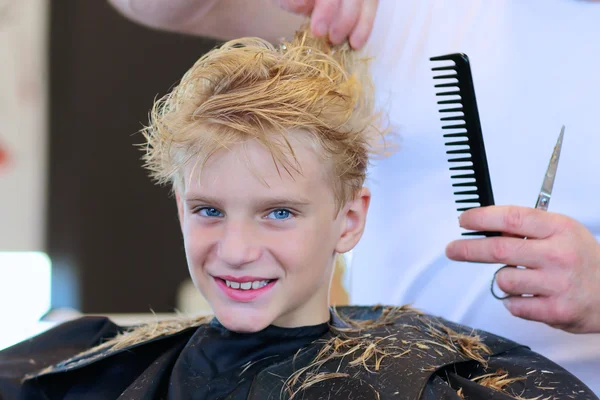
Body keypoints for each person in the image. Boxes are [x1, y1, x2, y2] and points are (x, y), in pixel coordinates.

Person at [1, 25, 597, 399]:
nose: (235, 248)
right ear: (179, 205)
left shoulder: (443, 383)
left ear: (349, 219)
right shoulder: (92, 364)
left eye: (279, 213)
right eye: (209, 209)